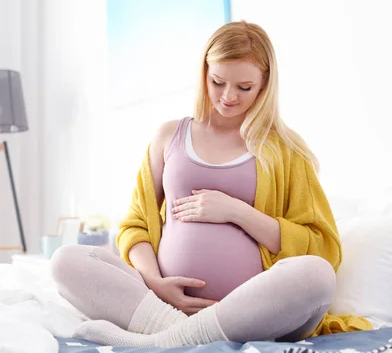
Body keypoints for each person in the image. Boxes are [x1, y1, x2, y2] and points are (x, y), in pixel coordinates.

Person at [50, 21, 372, 348]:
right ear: (204, 73)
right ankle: (173, 331)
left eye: (244, 87)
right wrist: (155, 281)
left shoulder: (286, 151)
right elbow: (135, 225)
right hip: (160, 302)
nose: (228, 96)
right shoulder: (169, 136)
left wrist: (237, 212)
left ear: (264, 85)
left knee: (316, 274)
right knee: (65, 261)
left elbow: (320, 244)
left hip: (256, 313)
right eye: (218, 82)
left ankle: (161, 340)